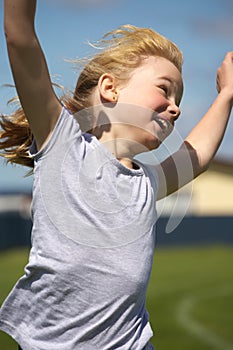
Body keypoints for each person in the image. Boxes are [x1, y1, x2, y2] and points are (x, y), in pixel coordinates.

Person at [0, 1, 232, 349]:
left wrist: (227, 94)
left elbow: (195, 156)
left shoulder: (146, 183)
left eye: (179, 98)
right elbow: (20, 37)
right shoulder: (64, 144)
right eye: (164, 89)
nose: (176, 107)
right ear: (111, 89)